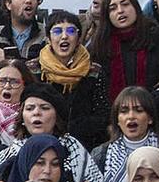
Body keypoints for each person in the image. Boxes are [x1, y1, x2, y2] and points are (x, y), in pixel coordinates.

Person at [33, 9, 109, 145]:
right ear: (48, 38)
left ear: (79, 38)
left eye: (71, 31)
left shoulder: (93, 71)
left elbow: (102, 116)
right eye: (57, 31)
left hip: (84, 143)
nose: (64, 36)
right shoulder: (34, 69)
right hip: (42, 141)